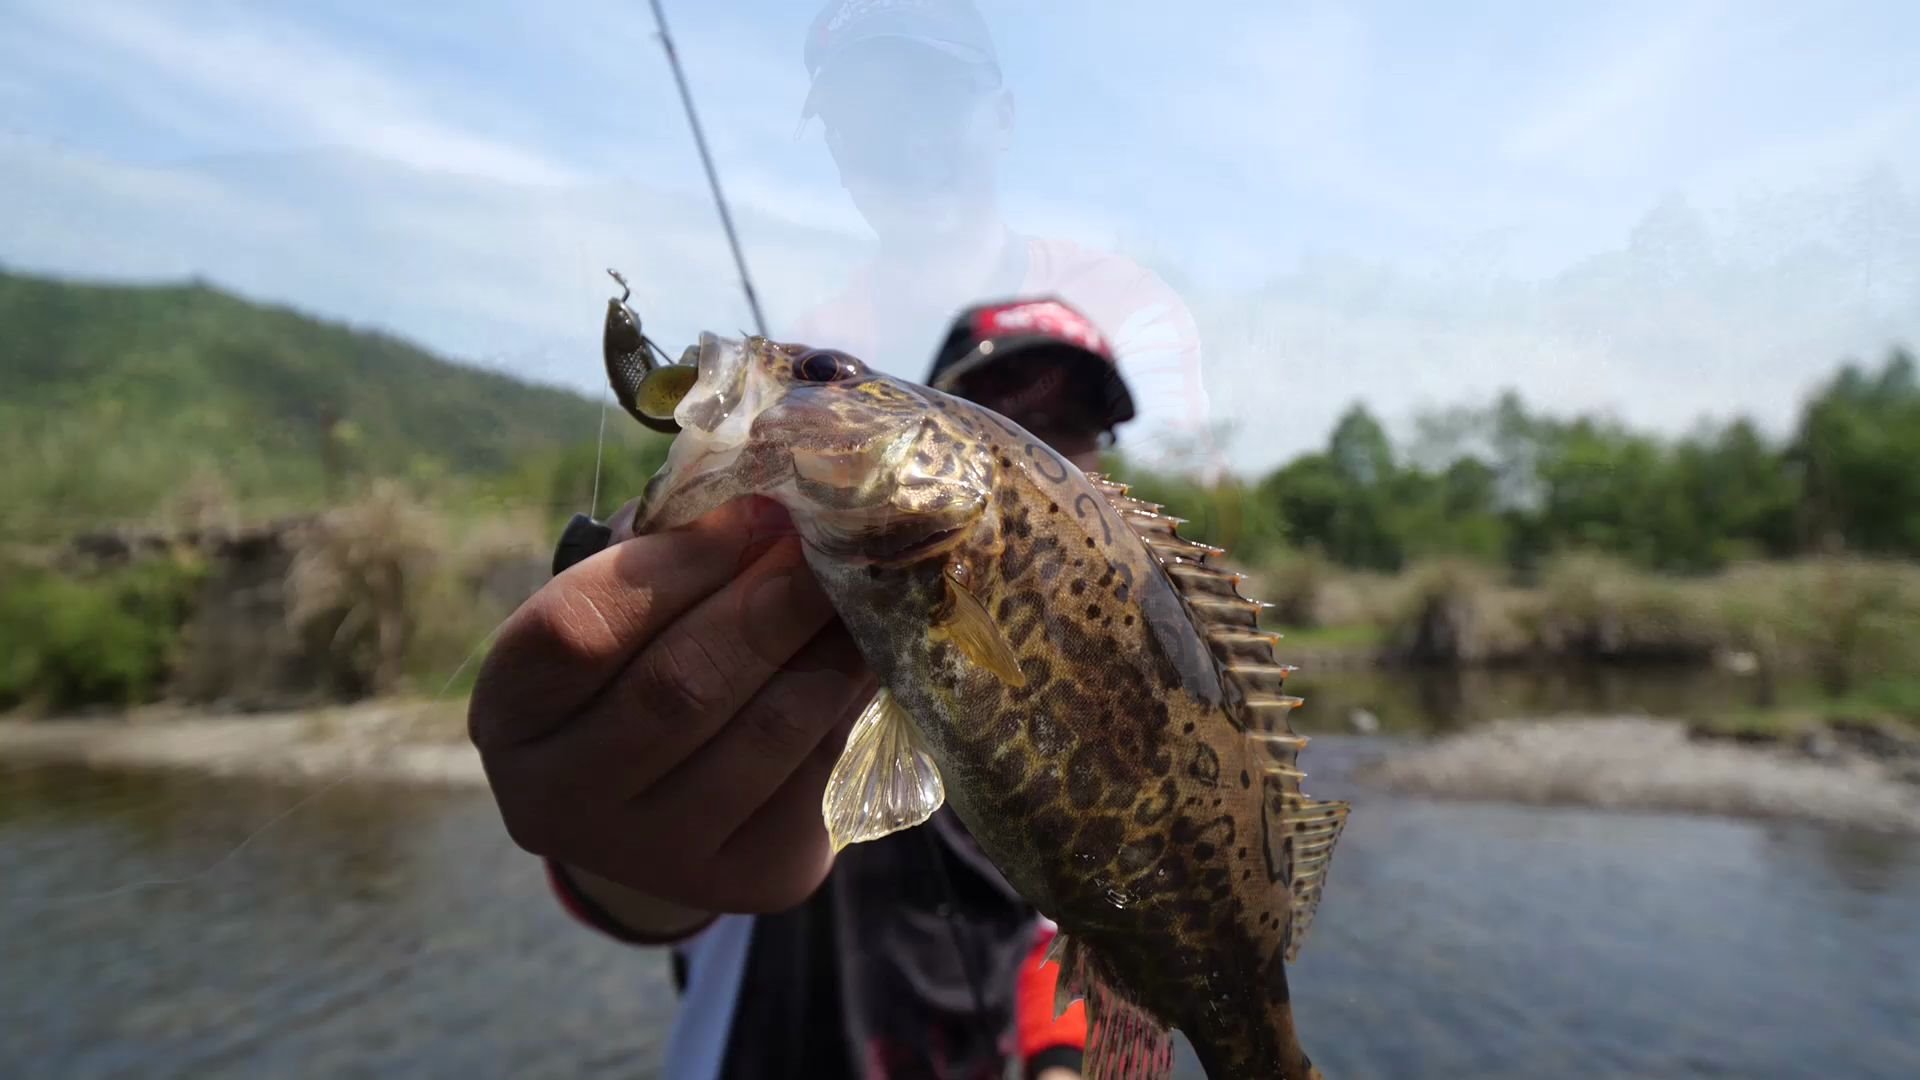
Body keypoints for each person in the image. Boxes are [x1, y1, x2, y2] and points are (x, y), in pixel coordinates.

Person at [469, 298, 1137, 1080]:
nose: (1031, 446)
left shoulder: (1091, 730)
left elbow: (1059, 928)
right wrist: (617, 841)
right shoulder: (801, 611)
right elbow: (643, 887)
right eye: (1002, 411)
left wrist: (1059, 1060)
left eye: (1069, 431)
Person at [787, 0, 1217, 477]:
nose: (907, 144)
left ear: (1004, 118)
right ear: (837, 154)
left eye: (936, 101)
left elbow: (1180, 492)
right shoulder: (809, 358)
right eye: (861, 121)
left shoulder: (1125, 305)